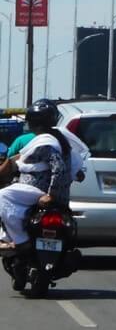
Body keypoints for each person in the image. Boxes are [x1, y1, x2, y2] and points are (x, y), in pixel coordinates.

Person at [0, 101, 71, 251]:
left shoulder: (45, 143)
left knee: (3, 195)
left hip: (40, 192)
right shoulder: (59, 137)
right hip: (40, 192)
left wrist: (52, 195)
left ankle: (20, 240)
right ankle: (7, 236)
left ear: (33, 122)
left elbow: (59, 168)